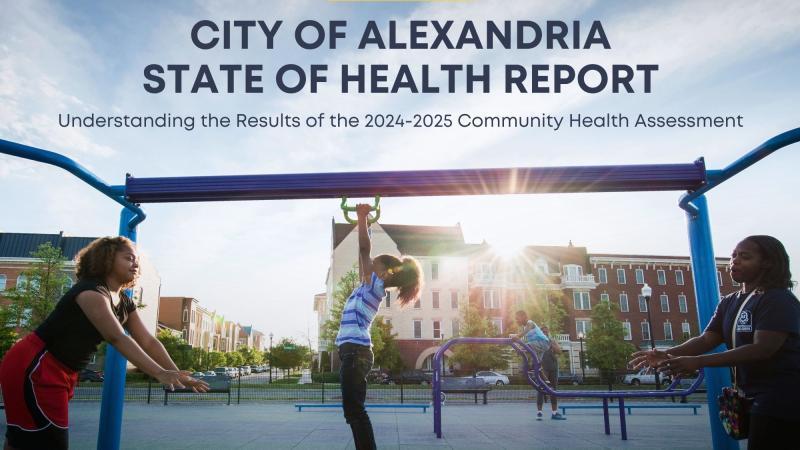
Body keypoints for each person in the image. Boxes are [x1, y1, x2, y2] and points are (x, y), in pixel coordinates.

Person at [0, 237, 209, 450]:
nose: (135, 264)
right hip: (36, 365)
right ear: (107, 259)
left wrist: (178, 374)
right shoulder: (91, 291)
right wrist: (159, 373)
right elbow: (117, 337)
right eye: (129, 258)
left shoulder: (125, 302)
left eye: (137, 260)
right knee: (48, 441)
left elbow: (148, 341)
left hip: (61, 370)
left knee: (22, 441)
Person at [629, 235, 800, 449]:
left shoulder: (778, 299)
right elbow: (707, 338)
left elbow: (762, 349)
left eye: (745, 257)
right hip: (751, 394)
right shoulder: (729, 301)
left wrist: (698, 362)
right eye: (733, 256)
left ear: (767, 263)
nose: (735, 261)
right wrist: (669, 353)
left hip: (782, 396)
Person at [335, 204, 422, 450]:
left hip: (355, 352)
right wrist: (366, 225)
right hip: (353, 352)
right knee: (354, 412)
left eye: (375, 264)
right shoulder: (368, 284)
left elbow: (364, 250)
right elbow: (364, 250)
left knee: (354, 412)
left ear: (384, 273)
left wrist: (362, 217)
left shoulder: (374, 285)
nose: (370, 264)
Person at [513, 311, 566, 421]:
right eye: (543, 331)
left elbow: (526, 332)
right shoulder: (526, 328)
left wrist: (517, 337)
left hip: (543, 345)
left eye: (518, 318)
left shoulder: (530, 323)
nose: (517, 320)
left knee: (527, 346)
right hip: (540, 353)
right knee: (537, 364)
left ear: (524, 317)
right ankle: (540, 410)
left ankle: (554, 411)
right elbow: (525, 333)